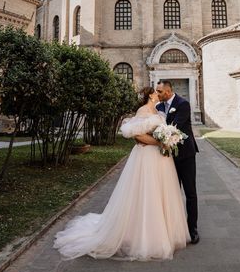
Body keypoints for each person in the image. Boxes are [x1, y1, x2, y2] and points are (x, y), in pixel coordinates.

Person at [53, 87, 190, 261]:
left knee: (161, 193)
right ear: (150, 95)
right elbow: (137, 136)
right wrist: (160, 142)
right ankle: (142, 236)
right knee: (146, 193)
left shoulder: (158, 110)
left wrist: (168, 139)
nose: (158, 93)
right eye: (156, 92)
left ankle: (164, 232)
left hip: (161, 159)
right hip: (146, 157)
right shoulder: (142, 110)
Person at [155, 80, 199, 244]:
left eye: (159, 91)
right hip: (167, 157)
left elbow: (175, 127)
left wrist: (157, 133)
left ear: (167, 91)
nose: (157, 94)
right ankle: (173, 228)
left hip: (185, 155)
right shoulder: (158, 107)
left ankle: (192, 229)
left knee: (190, 192)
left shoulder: (183, 104)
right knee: (171, 193)